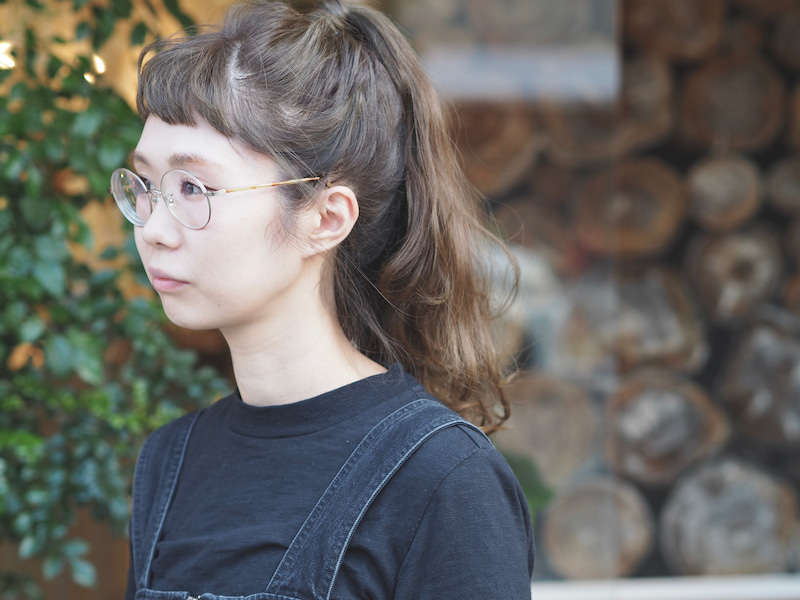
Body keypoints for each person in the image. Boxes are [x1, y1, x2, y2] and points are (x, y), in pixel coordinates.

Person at [113, 1, 535, 598]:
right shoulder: (169, 461)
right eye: (146, 186)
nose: (153, 228)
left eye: (192, 187)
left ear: (326, 217)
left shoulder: (442, 476)